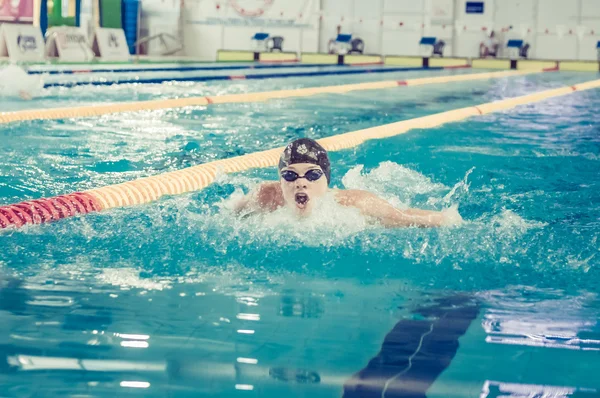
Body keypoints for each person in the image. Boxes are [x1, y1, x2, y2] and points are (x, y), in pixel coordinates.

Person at [234, 138, 463, 228]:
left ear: (326, 180)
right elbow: (228, 215)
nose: (300, 183)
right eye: (291, 175)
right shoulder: (265, 195)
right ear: (280, 180)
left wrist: (446, 219)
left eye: (312, 175)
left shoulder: (353, 204)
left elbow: (405, 216)